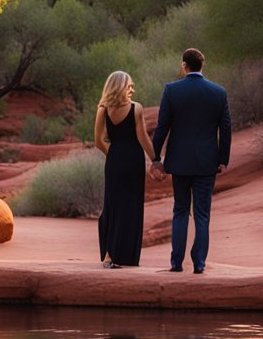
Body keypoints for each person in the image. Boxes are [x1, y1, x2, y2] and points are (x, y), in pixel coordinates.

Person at [150, 48, 231, 274]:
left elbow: (162, 127)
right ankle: (199, 264)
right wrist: (223, 159)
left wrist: (155, 158)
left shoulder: (172, 90)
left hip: (180, 162)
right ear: (201, 66)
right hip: (207, 162)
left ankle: (176, 263)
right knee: (203, 214)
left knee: (180, 210)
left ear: (184, 65)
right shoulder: (218, 92)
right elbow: (225, 130)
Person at [95, 70, 156, 268]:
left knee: (113, 204)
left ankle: (109, 255)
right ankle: (127, 256)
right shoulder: (136, 108)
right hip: (134, 161)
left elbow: (99, 141)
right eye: (129, 86)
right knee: (131, 206)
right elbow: (143, 138)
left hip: (114, 161)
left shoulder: (103, 109)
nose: (132, 90)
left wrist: (113, 155)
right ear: (119, 86)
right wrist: (156, 159)